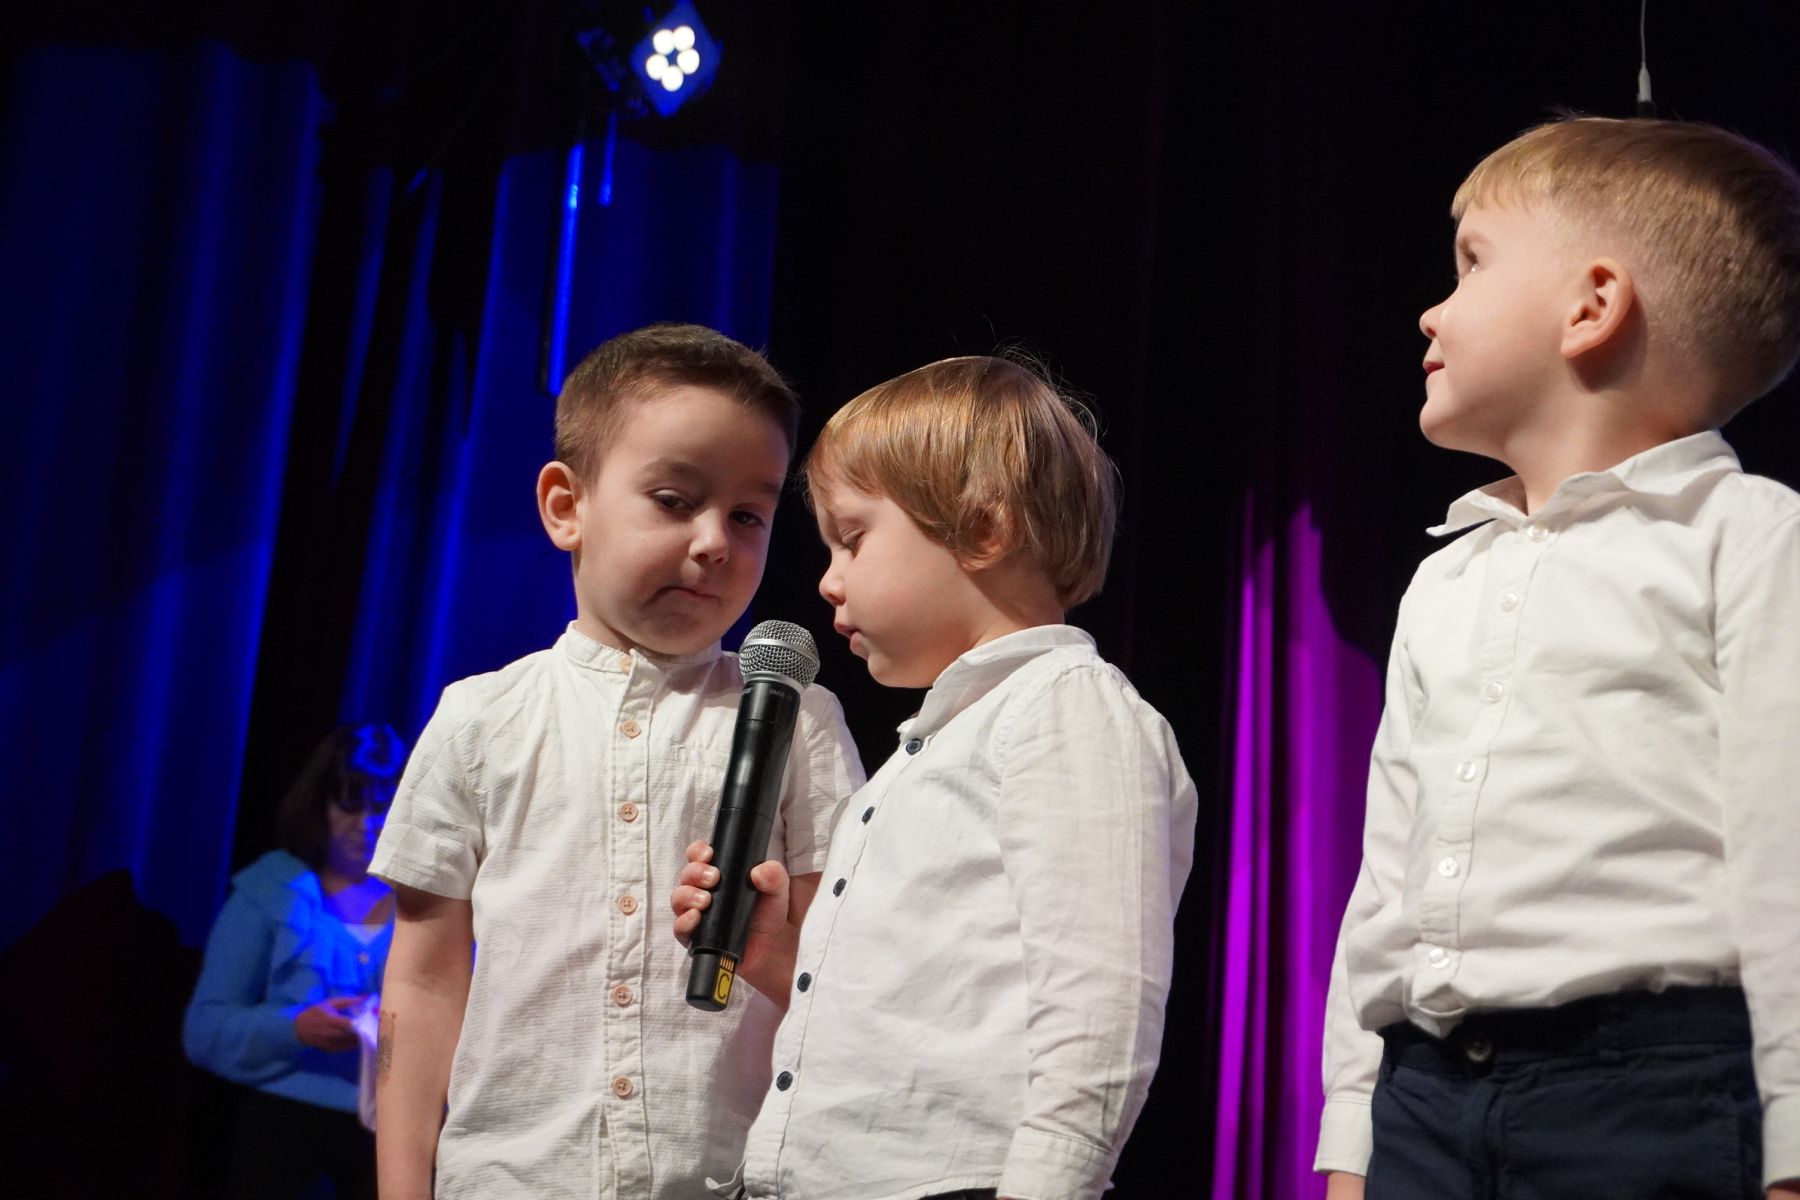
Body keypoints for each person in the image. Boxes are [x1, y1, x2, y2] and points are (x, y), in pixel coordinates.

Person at [1315, 117, 1800, 1199]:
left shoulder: (1749, 538)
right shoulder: (1445, 579)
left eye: (1471, 264)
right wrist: (1351, 1138)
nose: (1432, 310)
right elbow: (1386, 880)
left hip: (1650, 1094)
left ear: (1592, 307)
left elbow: (1789, 853)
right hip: (1423, 1097)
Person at [672, 356, 1200, 1200]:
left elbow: (1099, 1015)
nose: (827, 580)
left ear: (983, 531)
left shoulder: (1068, 709)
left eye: (853, 539)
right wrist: (776, 959)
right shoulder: (936, 746)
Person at [370, 323, 865, 1199]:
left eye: (747, 516)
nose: (715, 542)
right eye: (674, 500)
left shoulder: (799, 720)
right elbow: (426, 978)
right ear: (567, 506)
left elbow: (838, 973)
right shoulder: (481, 718)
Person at [184, 721, 407, 1200]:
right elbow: (203, 1031)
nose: (366, 825)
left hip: (392, 1133)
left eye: (382, 807)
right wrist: (295, 1028)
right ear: (318, 805)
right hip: (281, 1127)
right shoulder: (270, 893)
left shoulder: (428, 907)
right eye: (349, 804)